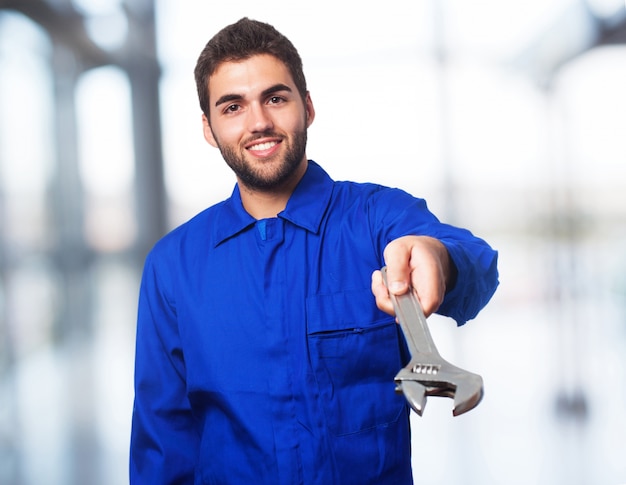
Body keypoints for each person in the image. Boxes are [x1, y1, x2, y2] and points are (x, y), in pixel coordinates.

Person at [130, 17, 498, 485]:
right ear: (208, 127)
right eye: (232, 107)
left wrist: (437, 257)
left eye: (275, 98)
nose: (259, 121)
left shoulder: (375, 219)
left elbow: (478, 266)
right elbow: (162, 444)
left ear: (307, 106)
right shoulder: (172, 266)